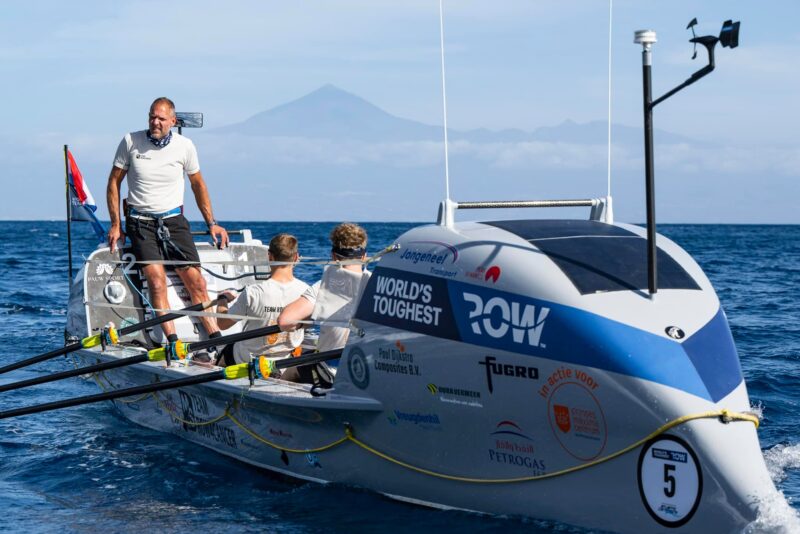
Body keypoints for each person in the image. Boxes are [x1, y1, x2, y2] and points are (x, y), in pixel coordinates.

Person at [106, 96, 228, 347]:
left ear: (173, 121)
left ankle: (214, 337)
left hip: (174, 222)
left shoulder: (185, 146)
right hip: (141, 223)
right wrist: (116, 224)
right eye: (152, 117)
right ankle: (172, 340)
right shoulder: (130, 141)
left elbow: (198, 184)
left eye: (161, 118)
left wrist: (212, 223)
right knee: (156, 281)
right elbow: (113, 182)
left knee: (197, 281)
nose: (155, 122)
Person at [278, 223, 369, 384]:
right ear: (364, 256)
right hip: (368, 370)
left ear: (334, 256)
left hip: (331, 372)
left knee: (290, 371)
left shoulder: (325, 287)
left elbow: (285, 321)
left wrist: (308, 321)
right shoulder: (378, 284)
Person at [215, 233, 309, 365]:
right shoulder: (307, 292)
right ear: (296, 257)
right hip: (286, 360)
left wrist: (222, 299)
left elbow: (222, 324)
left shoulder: (252, 292)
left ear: (269, 256)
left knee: (228, 350)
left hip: (249, 360)